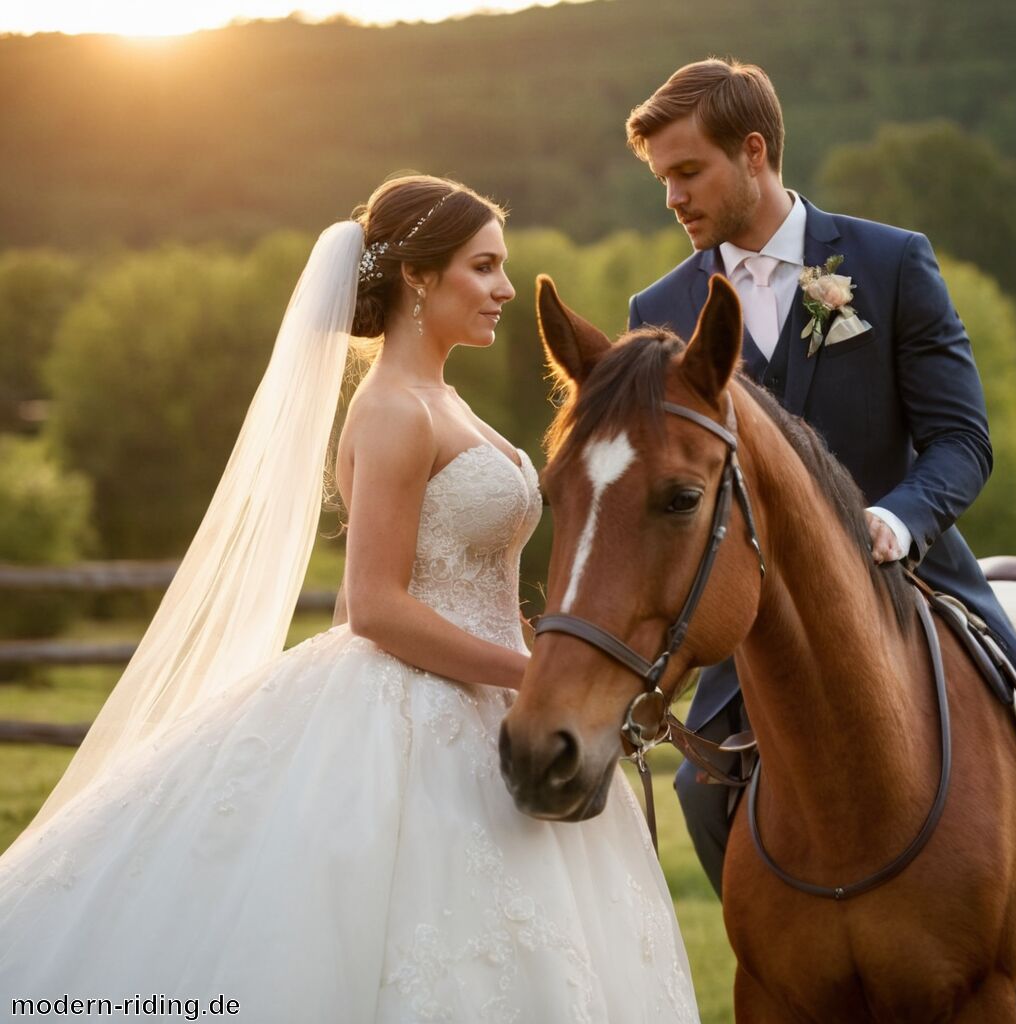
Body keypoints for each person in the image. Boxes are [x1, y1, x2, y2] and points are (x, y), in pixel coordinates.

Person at [0, 174, 700, 1023]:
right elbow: (373, 605)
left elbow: (476, 579)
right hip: (416, 706)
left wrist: (558, 673)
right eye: (484, 267)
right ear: (418, 276)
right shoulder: (394, 412)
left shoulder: (447, 401)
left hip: (495, 699)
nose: (507, 289)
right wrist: (526, 671)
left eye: (502, 267)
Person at [624, 59, 1016, 899]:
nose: (673, 197)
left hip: (914, 583)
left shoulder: (890, 262)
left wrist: (898, 520)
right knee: (699, 792)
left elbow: (961, 439)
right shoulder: (656, 313)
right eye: (663, 179)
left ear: (755, 152)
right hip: (756, 626)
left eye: (688, 171)